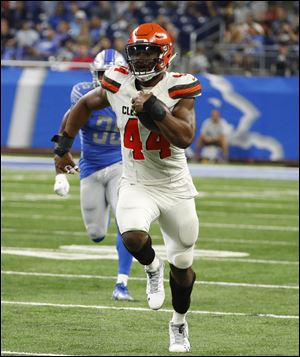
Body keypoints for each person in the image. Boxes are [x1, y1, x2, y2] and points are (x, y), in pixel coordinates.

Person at [52, 23, 201, 353]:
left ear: (165, 55)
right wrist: (62, 147)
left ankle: (178, 322)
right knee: (131, 235)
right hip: (135, 180)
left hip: (175, 186)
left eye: (149, 52)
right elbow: (84, 106)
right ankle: (151, 267)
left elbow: (185, 137)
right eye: (136, 52)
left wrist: (154, 108)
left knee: (183, 267)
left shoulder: (181, 86)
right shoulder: (118, 80)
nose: (142, 59)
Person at [52, 49, 134, 301]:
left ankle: (121, 283)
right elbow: (67, 124)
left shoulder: (130, 94)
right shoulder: (82, 93)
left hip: (121, 164)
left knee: (127, 222)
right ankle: (106, 211)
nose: (106, 79)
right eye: (101, 74)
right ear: (93, 75)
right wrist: (59, 171)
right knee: (96, 234)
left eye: (111, 74)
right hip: (90, 166)